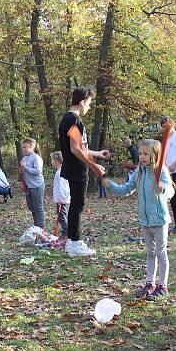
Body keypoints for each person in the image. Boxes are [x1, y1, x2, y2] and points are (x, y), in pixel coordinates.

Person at [103, 139, 174, 300]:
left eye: (145, 154)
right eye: (140, 153)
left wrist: (163, 188)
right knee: (150, 253)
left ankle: (162, 285)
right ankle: (150, 283)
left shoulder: (160, 170)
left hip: (160, 219)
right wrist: (111, 185)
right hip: (145, 220)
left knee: (161, 253)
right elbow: (127, 189)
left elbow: (170, 191)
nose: (141, 157)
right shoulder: (139, 172)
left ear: (154, 155)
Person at [58, 87, 110, 256]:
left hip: (74, 168)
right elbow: (74, 149)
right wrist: (94, 166)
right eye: (88, 104)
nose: (89, 107)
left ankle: (73, 241)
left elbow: (80, 147)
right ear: (81, 102)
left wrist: (97, 154)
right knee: (77, 205)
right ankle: (74, 243)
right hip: (76, 170)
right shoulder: (73, 120)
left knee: (76, 204)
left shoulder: (69, 119)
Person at [19, 138, 45, 229]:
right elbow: (23, 171)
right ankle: (36, 226)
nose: (23, 149)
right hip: (28, 186)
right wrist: (21, 171)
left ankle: (41, 229)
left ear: (31, 147)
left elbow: (37, 172)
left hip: (37, 185)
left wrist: (26, 167)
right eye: (22, 147)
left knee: (38, 208)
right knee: (31, 207)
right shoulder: (25, 158)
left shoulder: (36, 158)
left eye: (25, 147)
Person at [51, 151, 70, 238]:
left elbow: (63, 186)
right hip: (61, 199)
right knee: (61, 216)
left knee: (62, 216)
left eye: (52, 159)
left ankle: (66, 232)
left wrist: (61, 198)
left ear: (57, 161)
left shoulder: (61, 172)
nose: (51, 161)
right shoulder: (60, 171)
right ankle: (65, 231)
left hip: (62, 199)